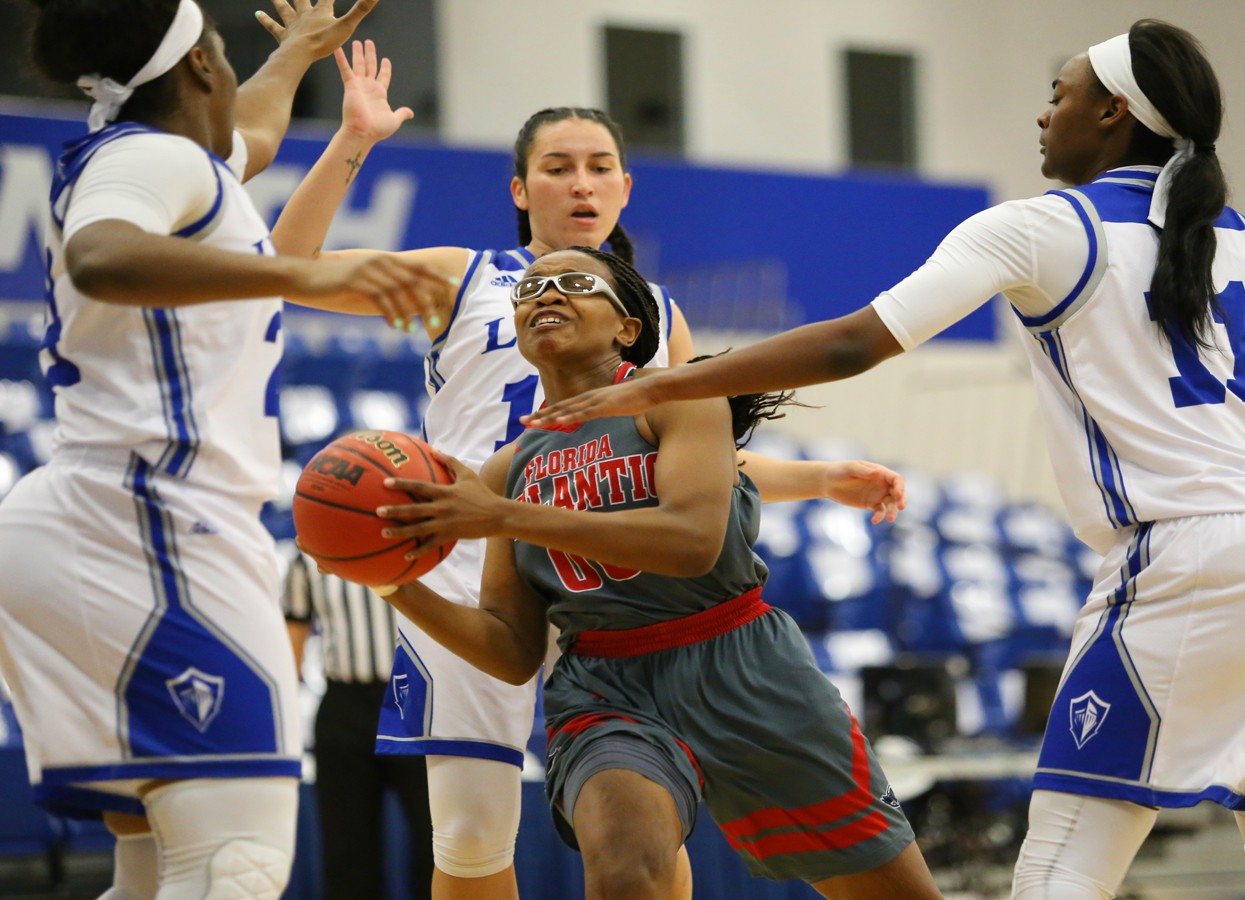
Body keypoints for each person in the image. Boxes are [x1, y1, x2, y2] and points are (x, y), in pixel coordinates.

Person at [526, 19, 1245, 900]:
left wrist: (660, 387)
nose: (1043, 115)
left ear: (1112, 113)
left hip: (1198, 555)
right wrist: (1241, 383)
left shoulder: (1038, 228)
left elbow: (851, 346)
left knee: (1057, 871)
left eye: (1058, 96)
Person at [267, 100, 909, 899]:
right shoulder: (461, 276)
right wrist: (354, 140)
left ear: (626, 188)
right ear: (519, 189)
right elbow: (289, 260)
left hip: (612, 581)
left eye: (599, 166)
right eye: (557, 167)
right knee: (470, 835)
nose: (581, 183)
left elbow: (688, 464)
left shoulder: (655, 313)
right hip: (470, 556)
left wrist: (817, 478)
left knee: (650, 811)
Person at [0, 1, 447, 898]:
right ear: (203, 64)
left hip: (93, 522)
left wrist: (291, 55)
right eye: (223, 56)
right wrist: (304, 270)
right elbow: (99, 257)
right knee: (233, 865)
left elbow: (255, 133)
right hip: (152, 526)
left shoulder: (176, 163)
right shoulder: (149, 160)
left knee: (155, 866)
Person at [369, 245, 943, 899]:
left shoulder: (684, 401)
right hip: (606, 691)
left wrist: (506, 519)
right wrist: (391, 580)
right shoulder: (507, 470)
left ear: (628, 329)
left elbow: (691, 542)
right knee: (623, 870)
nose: (546, 295)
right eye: (531, 289)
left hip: (742, 663)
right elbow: (511, 648)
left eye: (575, 283)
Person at [285, 547, 435, 899]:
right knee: (347, 853)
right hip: (345, 704)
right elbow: (294, 634)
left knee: (438, 846)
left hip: (418, 703)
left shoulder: (426, 545)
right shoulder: (310, 554)